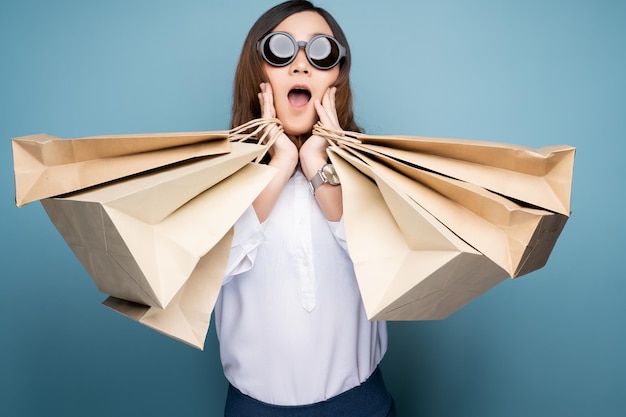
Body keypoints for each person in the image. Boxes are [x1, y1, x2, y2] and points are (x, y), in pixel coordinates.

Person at [213, 1, 395, 415]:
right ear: (258, 72)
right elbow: (203, 273)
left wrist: (317, 163)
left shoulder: (378, 173)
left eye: (320, 51)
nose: (300, 66)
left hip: (360, 403)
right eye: (280, 50)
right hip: (252, 408)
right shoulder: (215, 176)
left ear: (337, 76)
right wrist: (279, 165)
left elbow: (389, 267)